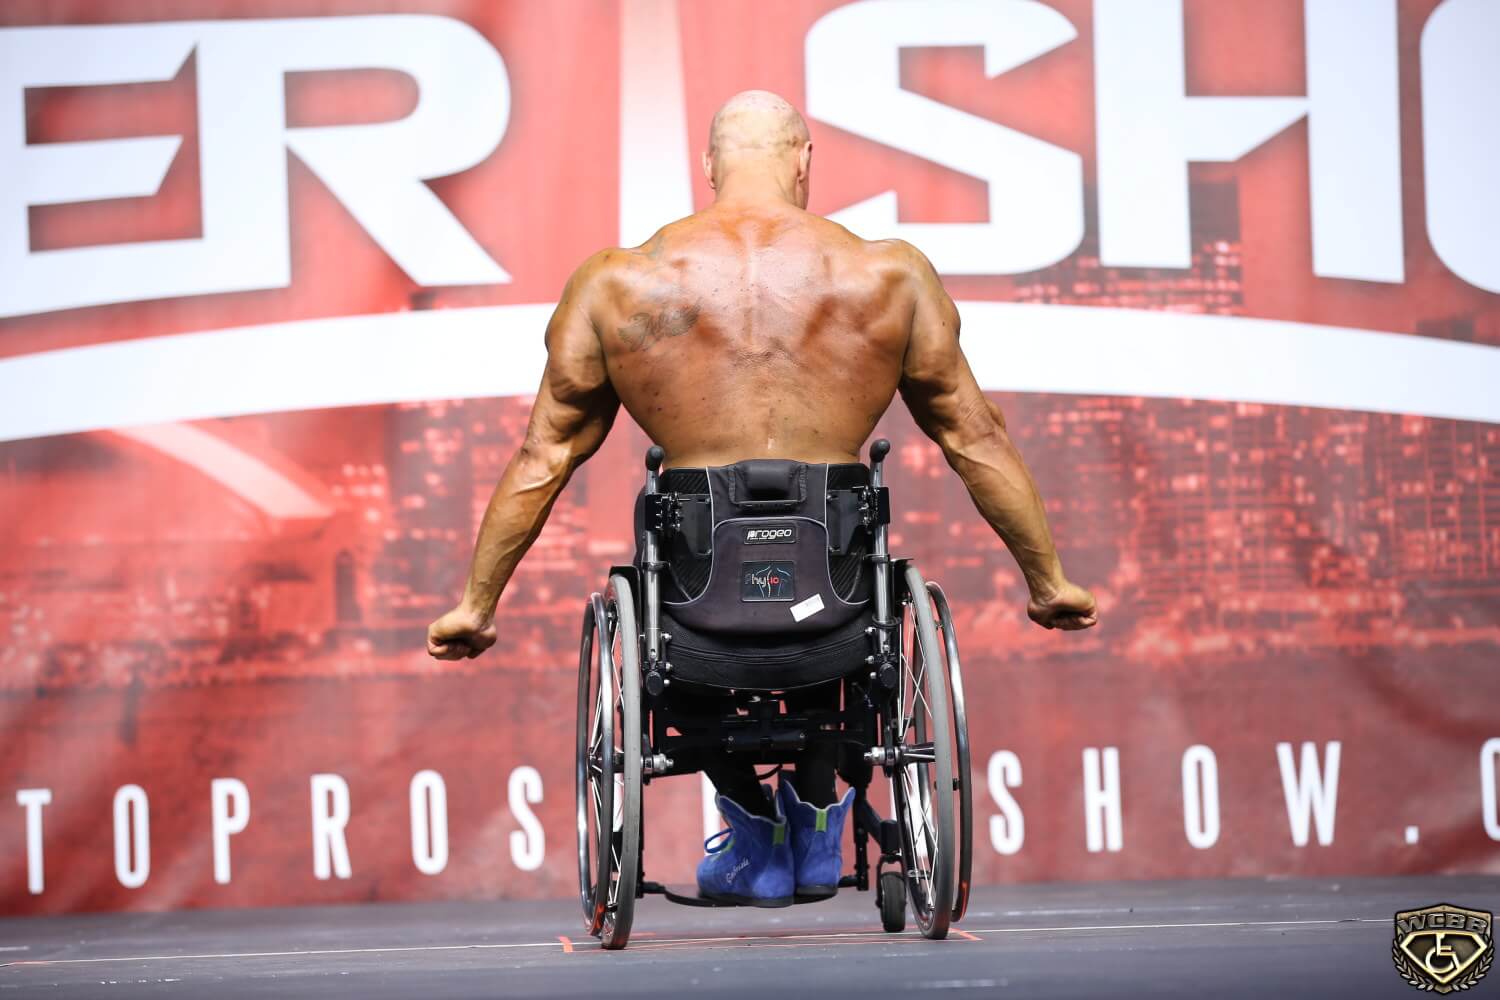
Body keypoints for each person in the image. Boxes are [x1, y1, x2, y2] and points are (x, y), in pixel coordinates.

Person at [427, 90, 1097, 905]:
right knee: (845, 615)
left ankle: (755, 827)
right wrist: (1048, 581)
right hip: (836, 598)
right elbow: (974, 436)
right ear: (804, 160)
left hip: (697, 605)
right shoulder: (890, 274)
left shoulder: (616, 283)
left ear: (710, 165)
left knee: (671, 608)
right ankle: (816, 812)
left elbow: (547, 454)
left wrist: (476, 604)